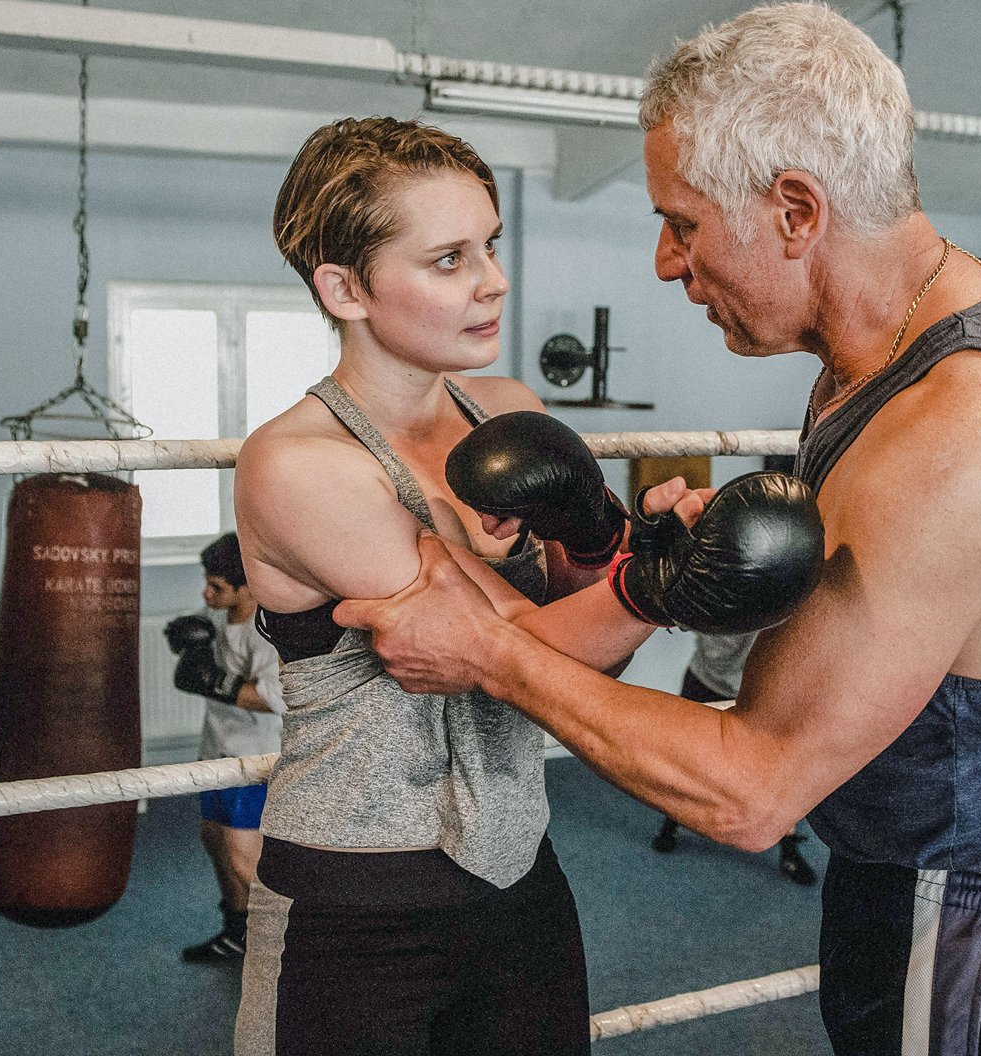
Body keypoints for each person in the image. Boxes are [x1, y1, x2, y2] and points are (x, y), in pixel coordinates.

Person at [333, 6, 981, 1054]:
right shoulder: (878, 352)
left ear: (796, 210)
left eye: (682, 221)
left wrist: (488, 652)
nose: (668, 263)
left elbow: (750, 790)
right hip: (923, 876)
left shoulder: (962, 429)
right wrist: (667, 580)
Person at [230, 116, 667, 1056]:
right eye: (448, 259)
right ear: (345, 289)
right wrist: (665, 582)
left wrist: (607, 546)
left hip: (518, 868)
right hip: (360, 895)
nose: (494, 280)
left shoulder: (507, 410)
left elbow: (581, 632)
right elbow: (526, 653)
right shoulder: (300, 464)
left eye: (492, 245)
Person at [164, 532, 286, 963]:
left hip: (253, 757)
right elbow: (196, 635)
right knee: (214, 839)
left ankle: (286, 949)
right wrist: (185, 634)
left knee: (242, 857)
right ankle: (238, 934)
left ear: (247, 586)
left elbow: (277, 697)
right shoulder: (218, 617)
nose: (206, 593)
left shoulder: (269, 629)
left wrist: (216, 683)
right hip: (216, 749)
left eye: (216, 587)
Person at [651, 630, 816, 886]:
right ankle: (671, 824)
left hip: (771, 694)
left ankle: (789, 851)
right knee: (688, 763)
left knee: (779, 774)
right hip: (709, 682)